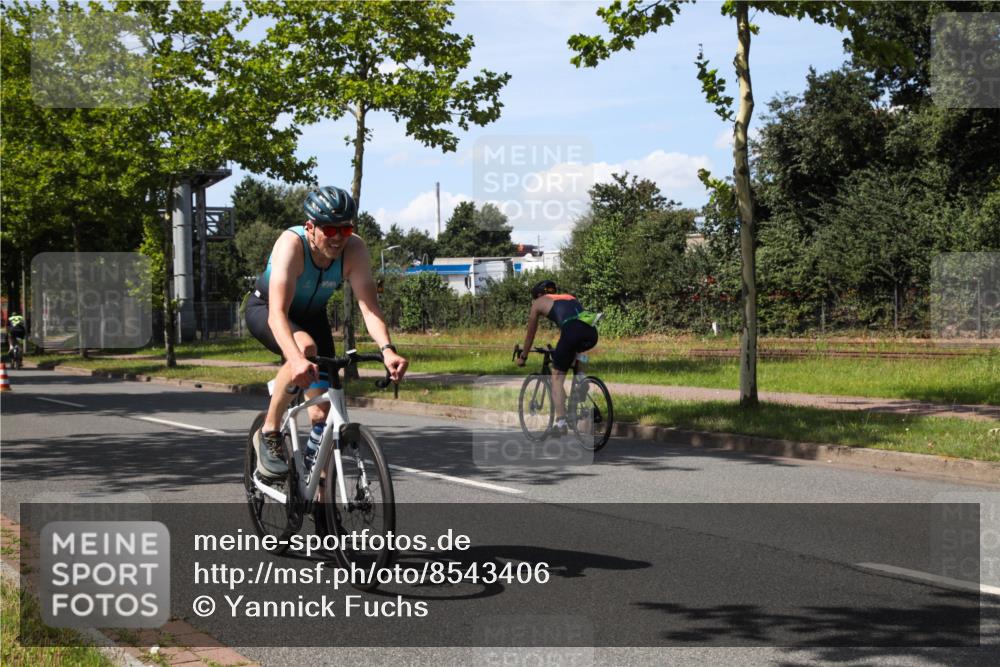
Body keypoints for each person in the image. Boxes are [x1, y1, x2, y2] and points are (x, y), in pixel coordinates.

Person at [245, 186, 408, 479]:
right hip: (267, 310)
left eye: (345, 230)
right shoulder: (291, 245)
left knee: (323, 416)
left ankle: (321, 502)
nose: (337, 238)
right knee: (304, 347)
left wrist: (387, 349)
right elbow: (277, 314)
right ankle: (269, 431)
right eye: (330, 229)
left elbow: (369, 310)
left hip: (312, 317)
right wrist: (295, 359)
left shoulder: (354, 249)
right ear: (311, 227)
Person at [515, 280, 599, 436]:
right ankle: (581, 379)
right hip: (592, 331)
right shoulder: (569, 296)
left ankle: (560, 423)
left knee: (556, 378)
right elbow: (574, 323)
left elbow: (530, 334)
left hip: (572, 332)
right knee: (575, 350)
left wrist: (523, 356)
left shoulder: (539, 302)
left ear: (538, 295)